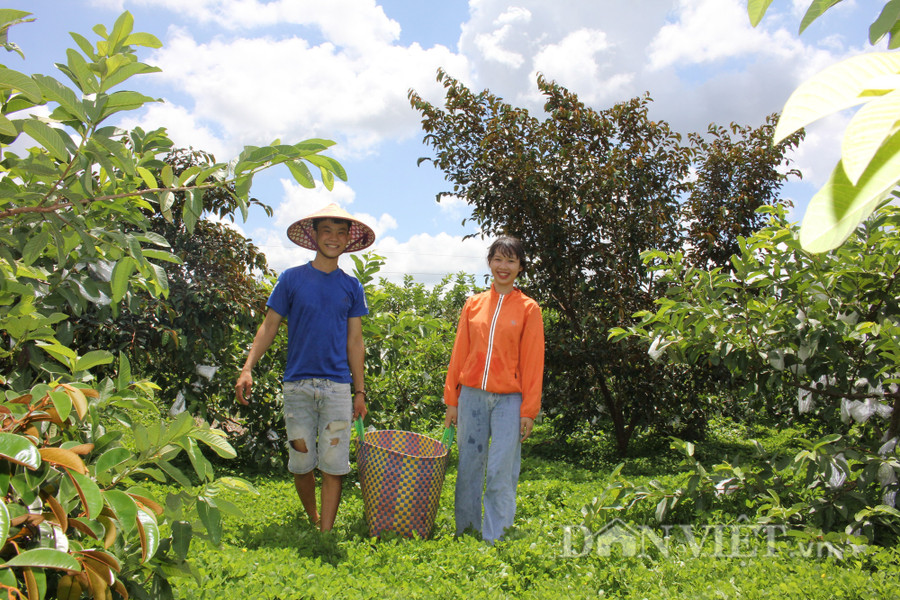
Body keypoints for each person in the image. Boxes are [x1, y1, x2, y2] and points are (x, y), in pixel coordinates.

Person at [235, 203, 374, 532]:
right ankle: (313, 518)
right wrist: (247, 367)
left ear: (347, 241)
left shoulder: (351, 287)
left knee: (334, 463)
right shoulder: (291, 279)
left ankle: (325, 533)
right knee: (301, 460)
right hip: (297, 385)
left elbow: (355, 342)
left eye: (341, 233)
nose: (333, 238)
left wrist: (360, 391)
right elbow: (268, 327)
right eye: (327, 231)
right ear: (313, 235)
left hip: (338, 388)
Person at [443, 236, 545, 543]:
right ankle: (467, 532)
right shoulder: (473, 305)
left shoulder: (529, 309)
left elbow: (532, 362)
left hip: (509, 401)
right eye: (498, 259)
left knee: (502, 468)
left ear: (520, 268)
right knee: (469, 467)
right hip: (471, 396)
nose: (503, 266)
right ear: (490, 263)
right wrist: (452, 399)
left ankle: (497, 535)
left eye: (511, 261)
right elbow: (459, 352)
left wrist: (528, 410)